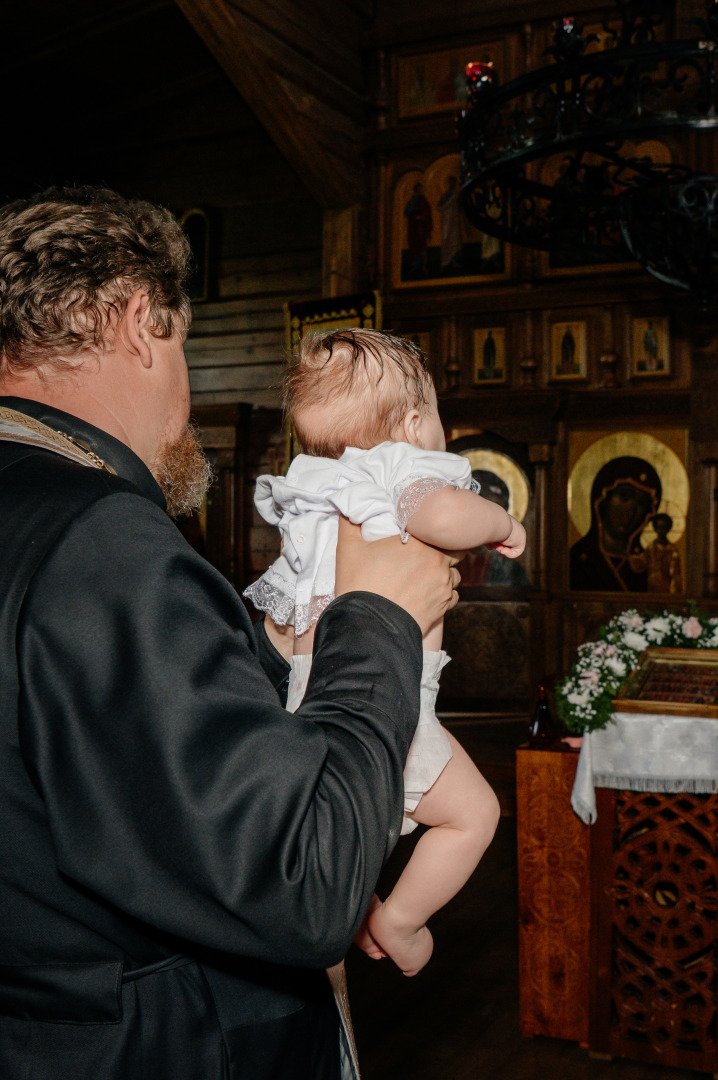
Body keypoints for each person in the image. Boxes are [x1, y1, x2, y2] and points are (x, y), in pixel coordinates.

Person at [0, 187, 463, 1080]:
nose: (186, 387)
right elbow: (301, 881)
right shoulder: (98, 534)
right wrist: (378, 618)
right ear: (142, 323)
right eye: (186, 344)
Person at [245, 328, 523, 978]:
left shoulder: (316, 491)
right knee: (475, 815)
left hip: (306, 702)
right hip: (386, 702)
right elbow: (448, 520)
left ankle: (353, 892)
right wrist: (505, 526)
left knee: (349, 817)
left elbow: (283, 621)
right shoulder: (398, 468)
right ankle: (400, 921)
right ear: (415, 421)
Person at [569, 456, 662, 591]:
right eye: (625, 496)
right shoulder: (578, 559)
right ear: (602, 499)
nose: (631, 509)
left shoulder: (646, 564)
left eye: (641, 503)